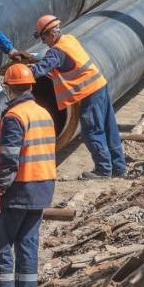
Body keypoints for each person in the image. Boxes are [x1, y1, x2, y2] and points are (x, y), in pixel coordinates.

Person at [0, 64, 56, 287]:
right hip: (42, 188)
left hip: (17, 189)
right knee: (27, 244)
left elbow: (9, 160)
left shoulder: (15, 117)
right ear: (30, 86)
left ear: (9, 88)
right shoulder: (43, 112)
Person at [27, 14, 126, 179]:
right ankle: (119, 167)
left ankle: (103, 170)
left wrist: (21, 74)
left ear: (51, 34)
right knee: (109, 127)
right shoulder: (68, 39)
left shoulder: (56, 52)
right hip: (99, 86)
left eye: (43, 38)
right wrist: (34, 57)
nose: (44, 42)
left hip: (88, 93)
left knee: (92, 130)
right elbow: (54, 58)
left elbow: (40, 70)